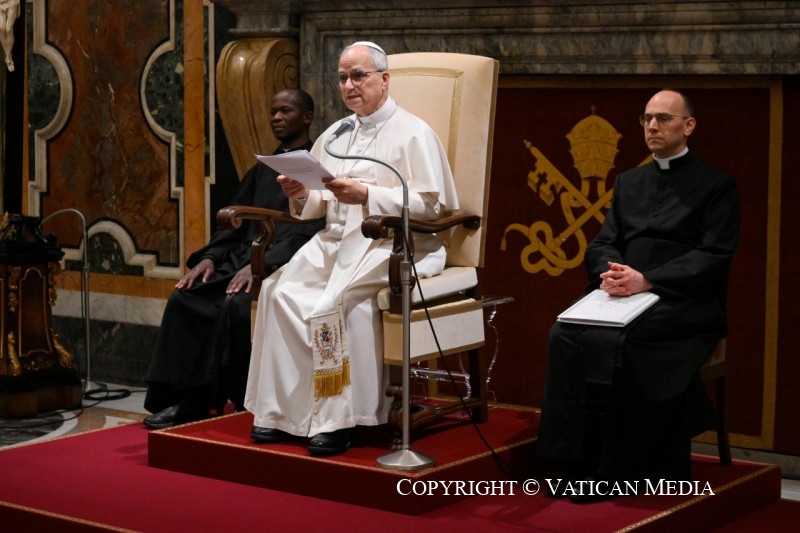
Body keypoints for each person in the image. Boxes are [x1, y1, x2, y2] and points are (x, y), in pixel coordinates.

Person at [244, 41, 458, 456]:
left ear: (384, 79)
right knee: (278, 292)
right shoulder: (337, 133)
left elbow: (431, 205)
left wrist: (367, 195)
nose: (349, 85)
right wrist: (299, 192)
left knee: (337, 302)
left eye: (358, 76)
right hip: (336, 241)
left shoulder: (415, 133)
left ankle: (337, 421)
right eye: (342, 77)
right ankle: (283, 414)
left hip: (392, 244)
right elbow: (317, 202)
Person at [535, 89, 740, 501]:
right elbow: (602, 243)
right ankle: (570, 460)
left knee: (623, 344)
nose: (652, 127)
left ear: (688, 125)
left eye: (663, 119)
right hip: (625, 294)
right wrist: (612, 273)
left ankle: (619, 470)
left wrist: (649, 281)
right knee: (564, 334)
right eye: (646, 119)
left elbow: (714, 255)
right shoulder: (630, 181)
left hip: (684, 303)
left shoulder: (717, 184)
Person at [143, 88, 324, 429]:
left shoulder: (313, 167)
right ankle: (180, 397)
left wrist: (261, 265)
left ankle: (217, 400)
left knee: (234, 306)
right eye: (273, 111)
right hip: (244, 257)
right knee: (187, 296)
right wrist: (210, 257)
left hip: (283, 262)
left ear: (307, 118)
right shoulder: (264, 168)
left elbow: (311, 227)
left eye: (285, 111)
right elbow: (236, 221)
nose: (276, 118)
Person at [0, 0, 19, 72]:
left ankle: (7, 57)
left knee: (8, 29)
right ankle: (8, 56)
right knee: (1, 28)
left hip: (12, 2)